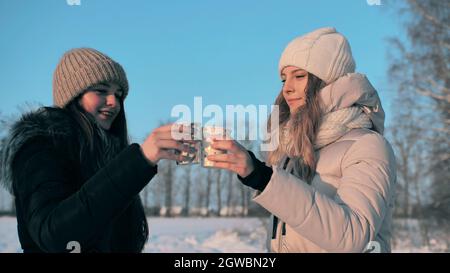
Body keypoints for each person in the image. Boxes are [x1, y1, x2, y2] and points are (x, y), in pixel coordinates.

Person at [207, 27, 397, 252]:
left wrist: (263, 178)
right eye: (283, 79)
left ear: (328, 82)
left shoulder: (368, 146)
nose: (287, 89)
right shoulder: (293, 151)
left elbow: (353, 235)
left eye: (299, 76)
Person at [0, 48, 186, 252]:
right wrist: (139, 160)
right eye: (101, 90)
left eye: (119, 94)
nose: (114, 102)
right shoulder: (39, 148)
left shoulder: (108, 156)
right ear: (73, 96)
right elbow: (55, 236)